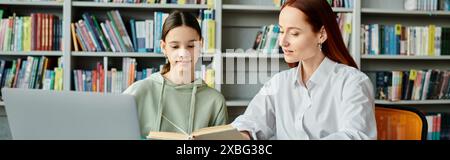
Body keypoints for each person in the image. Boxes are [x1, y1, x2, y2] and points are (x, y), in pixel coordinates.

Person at [231, 0, 377, 140]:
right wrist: (243, 135)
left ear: (321, 34)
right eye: (281, 31)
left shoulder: (353, 83)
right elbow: (250, 122)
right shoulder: (279, 83)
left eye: (294, 33)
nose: (283, 41)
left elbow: (356, 135)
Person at [123, 11, 227, 137]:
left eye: (190, 45)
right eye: (175, 46)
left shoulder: (215, 102)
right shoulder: (138, 92)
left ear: (201, 45)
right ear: (163, 47)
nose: (183, 53)